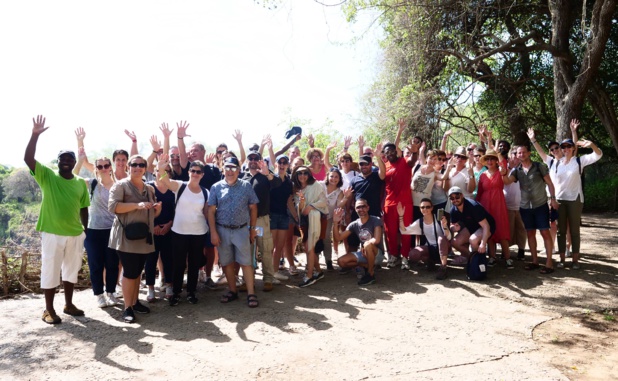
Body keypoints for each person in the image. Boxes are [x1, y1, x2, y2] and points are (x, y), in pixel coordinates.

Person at [25, 115, 89, 325]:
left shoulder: (80, 183)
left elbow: (84, 208)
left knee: (71, 271)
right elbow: (28, 159)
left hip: (74, 233)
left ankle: (68, 305)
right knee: (51, 271)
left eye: (70, 159)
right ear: (58, 161)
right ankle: (48, 309)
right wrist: (35, 135)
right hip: (52, 232)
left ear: (73, 163)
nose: (66, 162)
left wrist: (84, 231)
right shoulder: (48, 177)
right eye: (63, 159)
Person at [108, 155, 162, 323]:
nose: (137, 167)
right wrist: (136, 205)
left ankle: (135, 302)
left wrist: (157, 209)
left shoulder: (150, 189)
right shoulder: (120, 186)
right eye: (134, 164)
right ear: (128, 167)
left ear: (145, 168)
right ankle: (127, 308)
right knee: (130, 272)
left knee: (137, 272)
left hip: (143, 237)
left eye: (141, 165)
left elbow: (152, 214)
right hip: (126, 237)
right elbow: (113, 207)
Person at [156, 155, 209, 305]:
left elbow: (207, 213)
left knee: (194, 264)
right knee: (178, 264)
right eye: (193, 170)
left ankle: (192, 292)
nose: (195, 173)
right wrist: (161, 168)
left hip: (199, 232)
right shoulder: (180, 186)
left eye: (199, 171)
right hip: (179, 232)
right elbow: (165, 181)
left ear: (202, 175)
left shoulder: (206, 192)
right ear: (189, 172)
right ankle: (177, 292)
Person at [208, 157, 260, 308]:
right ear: (223, 169)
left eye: (233, 168)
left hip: (242, 230)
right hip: (222, 230)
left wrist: (252, 230)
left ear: (238, 170)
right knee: (226, 262)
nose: (230, 171)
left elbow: (253, 208)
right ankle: (232, 291)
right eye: (227, 168)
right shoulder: (216, 187)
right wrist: (213, 232)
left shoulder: (246, 186)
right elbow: (211, 211)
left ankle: (251, 293)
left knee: (246, 262)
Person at [503, 145, 559, 274]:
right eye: (518, 153)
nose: (521, 154)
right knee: (530, 234)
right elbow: (507, 181)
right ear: (516, 155)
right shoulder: (517, 170)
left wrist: (553, 199)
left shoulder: (539, 166)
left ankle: (549, 263)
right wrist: (503, 170)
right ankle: (535, 261)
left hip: (540, 205)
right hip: (525, 207)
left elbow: (550, 183)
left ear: (529, 153)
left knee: (545, 232)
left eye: (523, 152)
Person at [553, 137, 602, 269]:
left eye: (569, 146)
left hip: (575, 199)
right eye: (563, 147)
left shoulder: (579, 161)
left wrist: (591, 144)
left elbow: (598, 154)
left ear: (574, 148)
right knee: (560, 231)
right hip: (560, 200)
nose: (566, 149)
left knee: (574, 231)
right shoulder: (557, 163)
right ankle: (562, 260)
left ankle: (575, 260)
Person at [80, 154, 121, 308]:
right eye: (100, 166)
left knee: (112, 263)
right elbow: (72, 179)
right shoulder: (91, 184)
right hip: (93, 230)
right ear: (96, 169)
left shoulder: (119, 185)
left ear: (110, 167)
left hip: (113, 229)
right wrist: (80, 157)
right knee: (95, 264)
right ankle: (99, 294)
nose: (103, 169)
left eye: (106, 165)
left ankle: (111, 292)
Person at [240, 150, 283, 291]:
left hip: (261, 220)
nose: (253, 160)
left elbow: (278, 183)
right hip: (245, 221)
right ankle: (248, 280)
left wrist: (267, 172)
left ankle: (268, 279)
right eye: (250, 158)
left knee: (265, 249)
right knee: (247, 251)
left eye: (256, 158)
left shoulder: (265, 175)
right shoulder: (241, 177)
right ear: (247, 160)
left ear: (259, 160)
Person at [292, 165, 329, 287]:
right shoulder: (296, 189)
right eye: (299, 173)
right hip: (304, 221)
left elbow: (323, 202)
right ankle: (318, 271)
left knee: (310, 246)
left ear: (309, 174)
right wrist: (302, 202)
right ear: (296, 176)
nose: (302, 175)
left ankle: (309, 276)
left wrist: (311, 206)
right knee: (308, 246)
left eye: (305, 173)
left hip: (316, 219)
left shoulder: (316, 185)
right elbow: (300, 209)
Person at [398, 198, 452, 280]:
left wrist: (444, 226)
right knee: (413, 254)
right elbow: (404, 231)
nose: (425, 209)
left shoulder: (438, 219)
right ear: (420, 209)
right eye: (422, 207)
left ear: (432, 208)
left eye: (428, 207)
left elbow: (449, 237)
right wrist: (401, 216)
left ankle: (443, 267)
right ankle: (430, 261)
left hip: (444, 246)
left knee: (441, 239)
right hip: (431, 248)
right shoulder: (420, 222)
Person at [333, 199, 383, 286]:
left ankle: (370, 274)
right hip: (364, 253)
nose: (361, 209)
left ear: (368, 208)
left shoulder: (375, 220)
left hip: (377, 254)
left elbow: (377, 239)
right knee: (341, 262)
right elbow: (338, 238)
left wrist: (366, 246)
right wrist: (335, 222)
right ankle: (366, 265)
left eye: (363, 206)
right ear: (355, 210)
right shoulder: (354, 224)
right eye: (358, 207)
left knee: (368, 244)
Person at [476, 149, 513, 268]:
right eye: (487, 159)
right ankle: (492, 257)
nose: (490, 161)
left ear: (496, 161)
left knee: (501, 229)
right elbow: (480, 192)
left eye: (492, 159)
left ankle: (507, 257)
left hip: (499, 203)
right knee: (489, 229)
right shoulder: (482, 175)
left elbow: (504, 167)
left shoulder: (501, 172)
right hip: (485, 203)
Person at [348, 148, 386, 252]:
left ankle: (376, 261)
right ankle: (355, 261)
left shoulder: (376, 176)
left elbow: (383, 173)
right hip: (358, 213)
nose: (364, 166)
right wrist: (347, 212)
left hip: (373, 213)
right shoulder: (354, 180)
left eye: (366, 164)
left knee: (374, 239)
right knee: (353, 239)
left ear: (371, 164)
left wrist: (378, 157)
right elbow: (350, 197)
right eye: (361, 164)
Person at [448, 186, 496, 262]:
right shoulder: (453, 210)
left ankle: (479, 262)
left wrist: (483, 244)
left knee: (473, 240)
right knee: (455, 242)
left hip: (487, 227)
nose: (455, 200)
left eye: (457, 197)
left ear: (462, 195)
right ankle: (471, 258)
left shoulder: (473, 206)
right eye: (452, 198)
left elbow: (486, 226)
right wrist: (453, 228)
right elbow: (452, 225)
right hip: (471, 227)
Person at [270, 155, 298, 276]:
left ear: (288, 165)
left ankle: (275, 272)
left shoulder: (288, 182)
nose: (282, 165)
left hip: (284, 216)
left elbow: (289, 200)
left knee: (279, 246)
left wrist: (296, 216)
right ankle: (268, 273)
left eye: (284, 163)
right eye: (280, 162)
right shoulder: (270, 179)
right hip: (271, 216)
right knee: (270, 247)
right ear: (276, 164)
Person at [322, 167, 352, 270]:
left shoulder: (339, 192)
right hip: (316, 216)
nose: (333, 179)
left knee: (326, 238)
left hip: (328, 217)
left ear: (339, 179)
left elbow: (339, 205)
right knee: (314, 237)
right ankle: (313, 262)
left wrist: (346, 197)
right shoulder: (320, 185)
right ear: (327, 176)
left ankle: (328, 261)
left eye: (336, 177)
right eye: (331, 176)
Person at [503, 147, 527, 261]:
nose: (517, 156)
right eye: (514, 153)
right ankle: (505, 251)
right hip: (507, 204)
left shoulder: (523, 168)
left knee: (522, 228)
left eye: (518, 154)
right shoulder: (504, 169)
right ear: (509, 155)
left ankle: (521, 250)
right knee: (508, 229)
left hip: (521, 204)